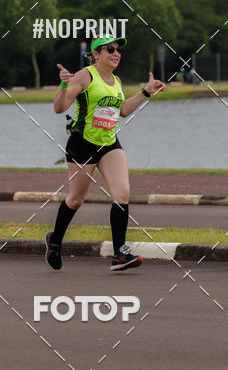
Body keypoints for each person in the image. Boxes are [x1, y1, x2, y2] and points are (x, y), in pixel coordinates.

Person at [46, 35, 166, 271]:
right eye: (110, 49)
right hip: (82, 144)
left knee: (122, 194)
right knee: (75, 199)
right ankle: (55, 241)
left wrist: (146, 91)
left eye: (118, 50)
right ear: (96, 54)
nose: (116, 53)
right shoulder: (85, 76)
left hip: (109, 144)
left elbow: (123, 110)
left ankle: (120, 253)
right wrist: (63, 85)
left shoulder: (116, 80)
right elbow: (59, 107)